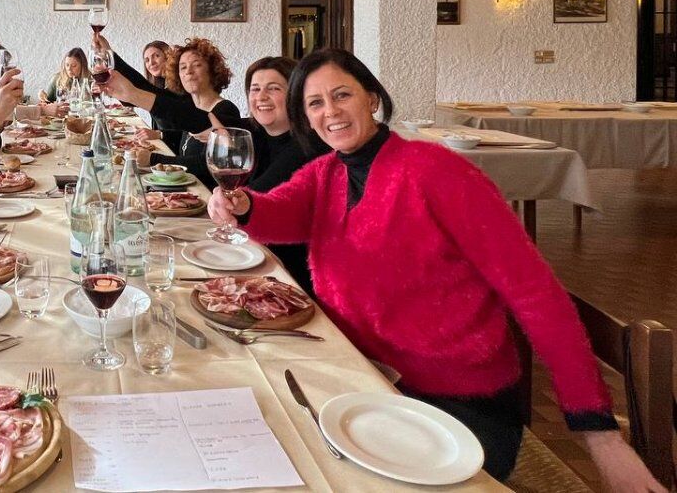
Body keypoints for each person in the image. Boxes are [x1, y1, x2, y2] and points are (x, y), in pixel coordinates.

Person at [208, 48, 665, 490]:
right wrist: (244, 204)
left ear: (371, 98)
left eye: (341, 94)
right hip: (363, 379)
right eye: (315, 102)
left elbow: (536, 294)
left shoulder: (437, 172)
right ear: (306, 118)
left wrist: (597, 432)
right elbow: (282, 211)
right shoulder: (327, 173)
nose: (331, 111)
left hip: (449, 400)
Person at [96, 34, 243, 186]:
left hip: (207, 199)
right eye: (183, 67)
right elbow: (146, 89)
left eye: (196, 65)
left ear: (212, 70)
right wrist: (109, 54)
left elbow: (205, 164)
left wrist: (154, 160)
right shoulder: (190, 105)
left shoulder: (226, 110)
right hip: (183, 186)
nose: (188, 71)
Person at [241, 55, 330, 295]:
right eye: (255, 89)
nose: (261, 97)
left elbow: (253, 196)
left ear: (295, 95)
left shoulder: (310, 144)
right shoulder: (258, 135)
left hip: (296, 281)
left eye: (274, 88)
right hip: (262, 259)